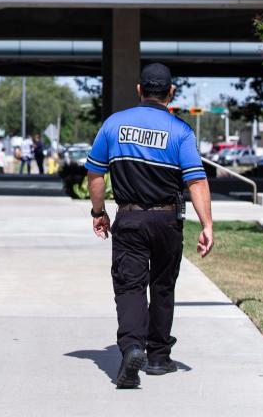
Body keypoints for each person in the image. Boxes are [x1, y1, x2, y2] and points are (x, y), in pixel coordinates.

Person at [85, 63, 214, 389]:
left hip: (129, 219)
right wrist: (207, 225)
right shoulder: (180, 130)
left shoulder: (113, 125)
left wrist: (98, 212)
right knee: (162, 286)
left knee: (129, 285)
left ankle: (131, 347)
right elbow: (196, 181)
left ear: (140, 90)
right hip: (167, 220)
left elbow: (95, 173)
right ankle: (158, 357)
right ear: (170, 92)